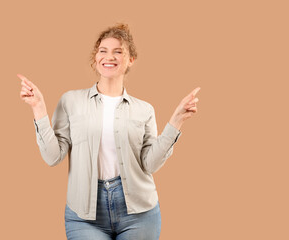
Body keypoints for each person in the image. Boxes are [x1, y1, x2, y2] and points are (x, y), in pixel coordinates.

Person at [18, 23, 200, 240]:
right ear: (96, 58)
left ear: (130, 60)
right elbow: (52, 156)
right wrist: (38, 108)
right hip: (84, 214)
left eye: (118, 51)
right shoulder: (70, 101)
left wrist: (176, 121)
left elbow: (150, 164)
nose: (109, 56)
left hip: (139, 213)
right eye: (103, 51)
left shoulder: (144, 109)